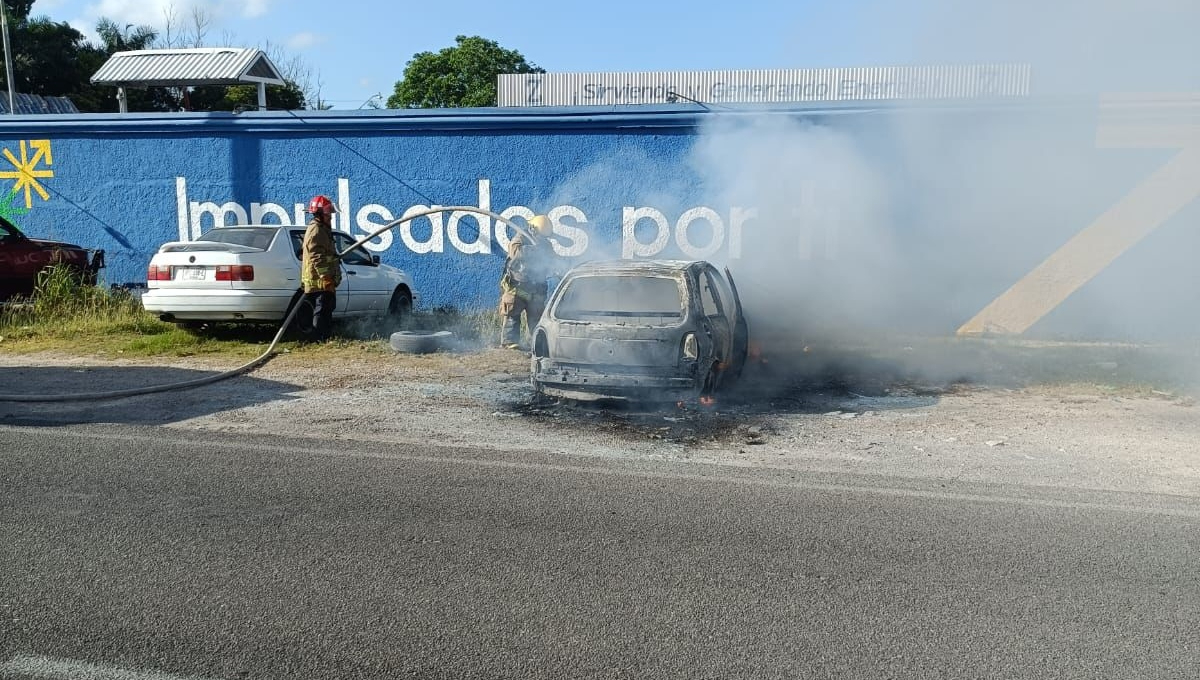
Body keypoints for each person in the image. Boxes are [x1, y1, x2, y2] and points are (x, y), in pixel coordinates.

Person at [498, 214, 558, 349]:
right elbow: (514, 251)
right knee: (512, 314)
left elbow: (552, 259)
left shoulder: (546, 244)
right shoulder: (520, 238)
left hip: (537, 287)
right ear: (533, 229)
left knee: (536, 318)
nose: (543, 238)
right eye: (541, 235)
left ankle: (536, 344)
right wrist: (533, 250)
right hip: (518, 285)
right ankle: (510, 342)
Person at [300, 194, 342, 342]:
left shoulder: (323, 229)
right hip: (320, 281)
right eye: (328, 213)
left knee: (327, 308)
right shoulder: (316, 230)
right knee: (321, 310)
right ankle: (318, 338)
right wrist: (326, 277)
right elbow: (316, 256)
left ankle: (325, 337)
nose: (330, 216)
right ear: (319, 214)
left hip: (323, 280)